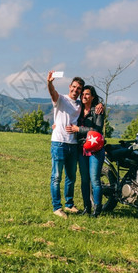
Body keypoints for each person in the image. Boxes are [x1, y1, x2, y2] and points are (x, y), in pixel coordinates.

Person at [47, 71, 85, 219]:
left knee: (71, 177)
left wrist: (100, 104)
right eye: (74, 87)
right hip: (59, 143)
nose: (75, 91)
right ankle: (57, 207)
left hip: (73, 144)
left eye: (78, 89)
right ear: (69, 87)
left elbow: (92, 105)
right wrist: (50, 83)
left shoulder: (80, 105)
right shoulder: (61, 99)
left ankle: (69, 205)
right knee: (56, 177)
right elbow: (52, 92)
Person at [66, 85, 105, 217]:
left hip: (95, 149)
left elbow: (97, 130)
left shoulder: (97, 111)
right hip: (81, 148)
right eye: (83, 94)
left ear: (92, 97)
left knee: (95, 180)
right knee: (84, 180)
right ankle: (86, 208)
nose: (84, 96)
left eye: (87, 94)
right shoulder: (78, 108)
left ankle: (97, 209)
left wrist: (79, 130)